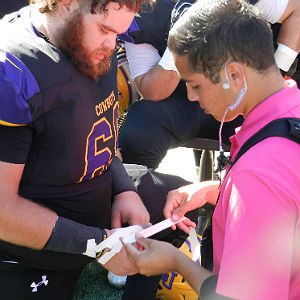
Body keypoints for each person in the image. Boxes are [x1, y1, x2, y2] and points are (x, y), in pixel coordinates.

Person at [0, 1, 198, 299]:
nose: (111, 45)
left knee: (182, 202)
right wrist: (96, 243)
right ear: (65, 4)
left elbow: (100, 137)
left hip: (96, 216)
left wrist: (123, 190)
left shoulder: (92, 41)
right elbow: (3, 211)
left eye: (119, 32)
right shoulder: (13, 70)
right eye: (105, 29)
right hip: (29, 254)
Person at [123, 0, 300, 298]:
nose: (190, 97)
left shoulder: (257, 174)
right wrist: (210, 191)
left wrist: (176, 261)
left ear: (234, 75)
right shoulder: (289, 111)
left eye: (195, 85)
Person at [117, 0, 242, 169]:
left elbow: (291, 10)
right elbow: (152, 91)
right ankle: (139, 192)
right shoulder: (145, 8)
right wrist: (182, 39)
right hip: (180, 102)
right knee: (138, 133)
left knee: (273, 130)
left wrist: (280, 65)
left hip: (238, 96)